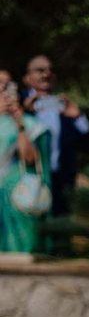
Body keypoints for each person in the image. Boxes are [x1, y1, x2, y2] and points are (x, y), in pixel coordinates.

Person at [21, 55, 89, 216]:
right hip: (27, 181)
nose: (46, 74)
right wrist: (25, 113)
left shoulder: (64, 107)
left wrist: (78, 117)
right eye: (40, 70)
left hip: (61, 181)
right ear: (27, 78)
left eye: (50, 70)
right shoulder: (17, 104)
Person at [0, 68, 51, 252]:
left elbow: (30, 160)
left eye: (7, 85)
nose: (4, 91)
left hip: (14, 201)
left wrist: (19, 124)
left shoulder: (30, 124)